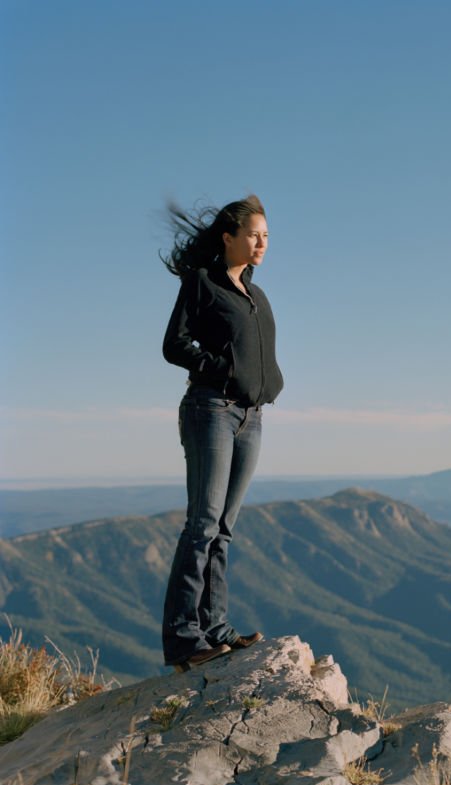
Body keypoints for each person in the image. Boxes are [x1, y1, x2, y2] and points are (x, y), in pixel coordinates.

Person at [160, 194, 284, 672]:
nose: (261, 243)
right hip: (210, 410)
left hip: (252, 417)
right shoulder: (203, 282)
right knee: (202, 526)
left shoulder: (254, 292)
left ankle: (215, 629)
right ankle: (183, 640)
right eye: (254, 235)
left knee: (224, 530)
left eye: (267, 236)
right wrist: (219, 369)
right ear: (229, 238)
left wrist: (271, 380)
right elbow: (174, 343)